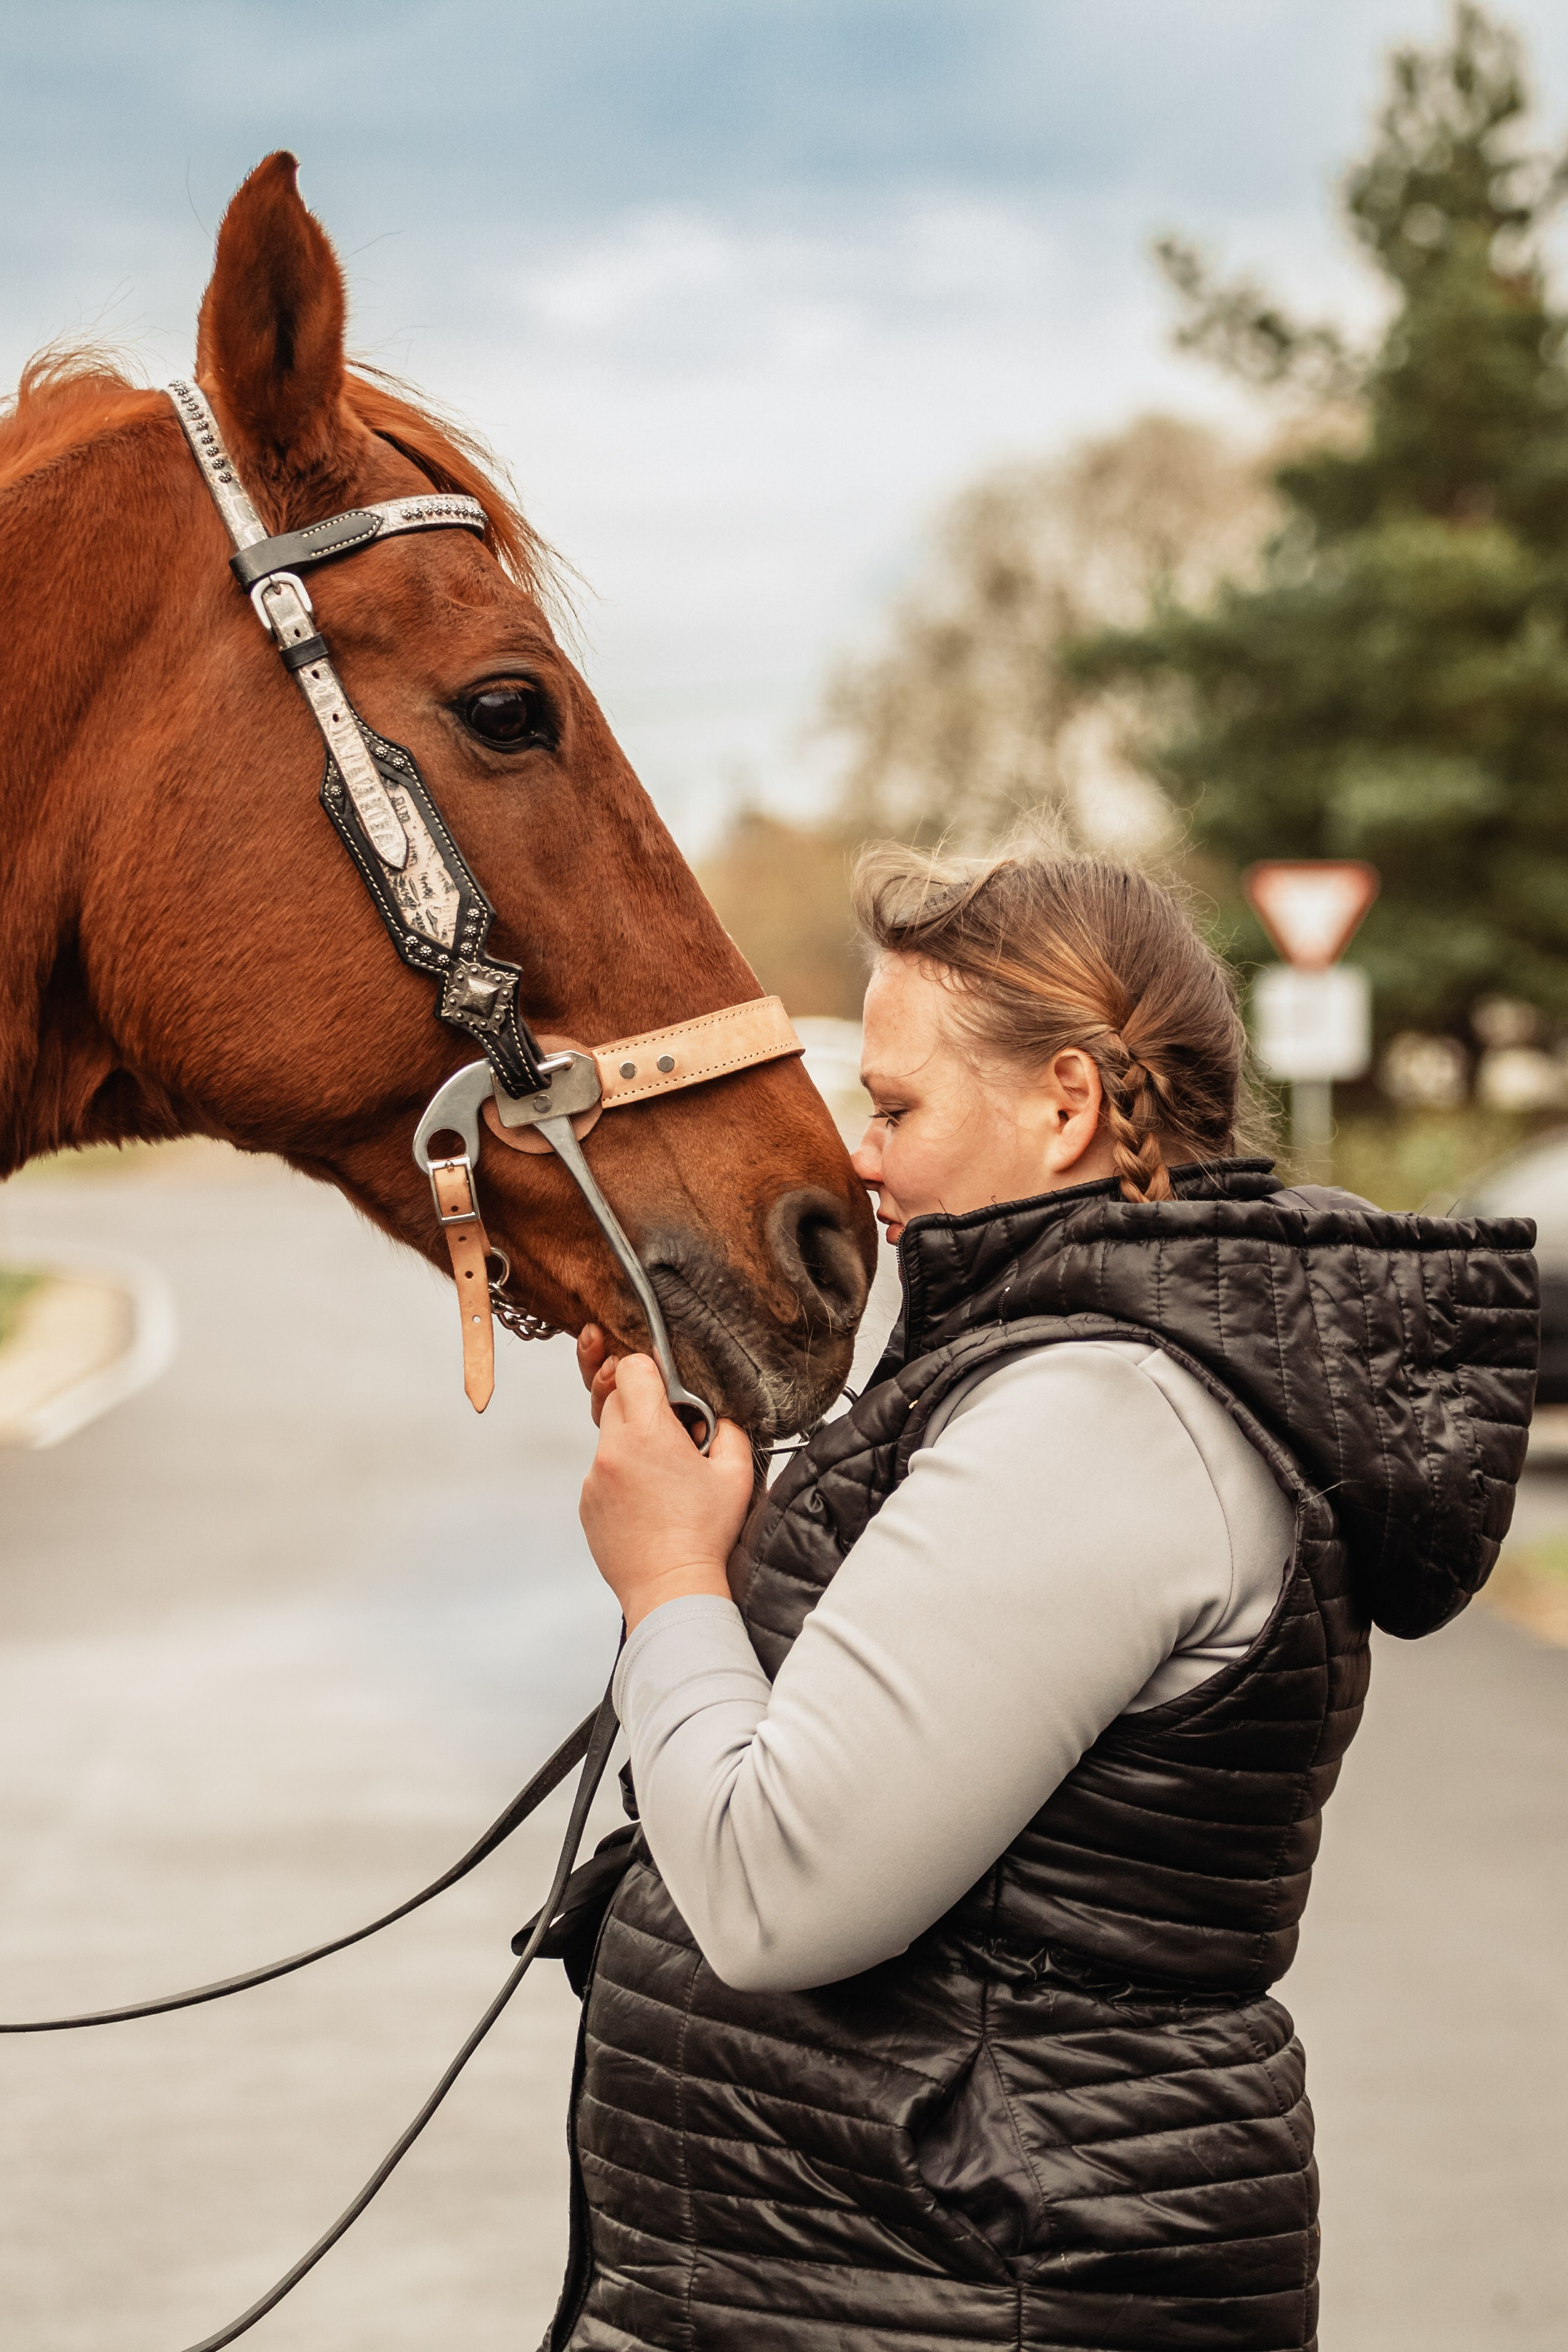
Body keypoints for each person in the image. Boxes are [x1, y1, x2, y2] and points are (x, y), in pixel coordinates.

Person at [547, 842, 1536, 2352]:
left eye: (897, 1109)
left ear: (1065, 1103)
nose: (862, 1157)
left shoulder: (1105, 1418)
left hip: (971, 2286)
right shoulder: (1069, 1379)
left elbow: (773, 1889)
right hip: (915, 2275)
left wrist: (668, 1576)